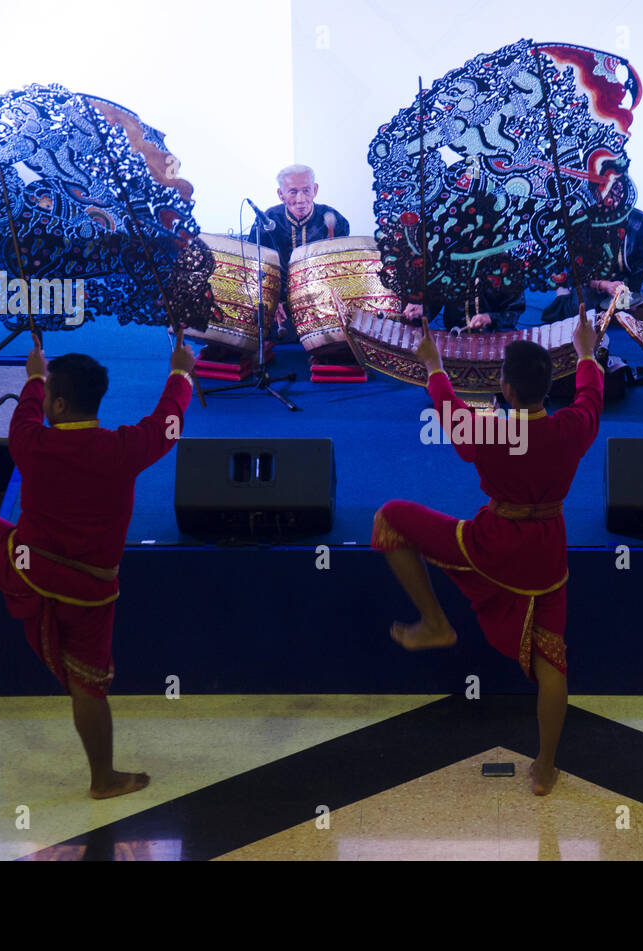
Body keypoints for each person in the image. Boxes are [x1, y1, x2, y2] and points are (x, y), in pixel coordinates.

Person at [0, 337, 197, 800]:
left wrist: (33, 375)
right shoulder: (123, 448)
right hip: (91, 593)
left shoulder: (31, 442)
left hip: (24, 568)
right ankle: (103, 780)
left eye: (49, 395)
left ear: (59, 404)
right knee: (89, 685)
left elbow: (25, 411)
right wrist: (180, 373)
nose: (43, 401)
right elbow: (167, 426)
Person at [372, 317, 603, 796]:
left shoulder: (491, 433)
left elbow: (448, 407)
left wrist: (434, 364)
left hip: (491, 546)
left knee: (390, 518)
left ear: (505, 387)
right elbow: (590, 398)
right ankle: (544, 769)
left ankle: (435, 623)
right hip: (547, 558)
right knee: (552, 664)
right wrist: (585, 354)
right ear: (545, 386)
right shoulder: (571, 429)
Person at [248, 164, 351, 336]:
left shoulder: (333, 218)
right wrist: (268, 298)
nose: (301, 199)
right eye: (293, 192)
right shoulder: (268, 219)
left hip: (320, 304)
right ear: (281, 194)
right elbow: (254, 265)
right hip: (278, 304)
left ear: (315, 190)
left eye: (306, 190)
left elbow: (341, 270)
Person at [541, 208, 643, 323]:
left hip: (623, 285)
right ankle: (565, 294)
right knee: (576, 312)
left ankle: (604, 315)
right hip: (593, 283)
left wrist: (634, 297)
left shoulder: (639, 220)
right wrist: (603, 285)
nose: (612, 200)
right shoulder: (582, 218)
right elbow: (575, 267)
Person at [401, 286, 527, 332]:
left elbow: (514, 310)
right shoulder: (453, 260)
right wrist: (422, 309)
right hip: (454, 337)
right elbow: (436, 297)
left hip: (494, 338)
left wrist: (490, 318)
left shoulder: (506, 267)